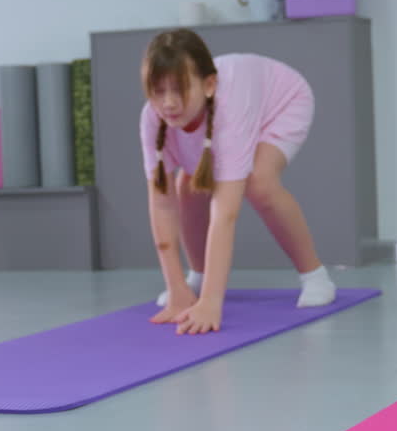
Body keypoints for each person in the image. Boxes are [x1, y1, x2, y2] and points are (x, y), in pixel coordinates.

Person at [139, 28, 336, 334]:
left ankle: (315, 275)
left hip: (281, 101)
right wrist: (176, 289)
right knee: (187, 187)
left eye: (179, 89)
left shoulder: (229, 110)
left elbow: (225, 214)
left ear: (208, 85)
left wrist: (211, 302)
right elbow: (162, 205)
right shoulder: (153, 118)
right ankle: (197, 277)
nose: (169, 103)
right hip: (228, 110)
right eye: (158, 91)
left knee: (259, 183)